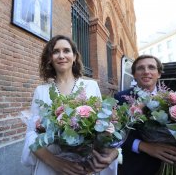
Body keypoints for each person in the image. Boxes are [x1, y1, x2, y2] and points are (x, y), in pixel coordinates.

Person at [21, 35, 119, 175]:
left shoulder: (90, 86)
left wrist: (107, 153)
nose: (61, 55)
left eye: (66, 51)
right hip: (50, 166)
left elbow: (101, 124)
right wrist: (53, 161)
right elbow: (31, 133)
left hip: (84, 165)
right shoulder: (41, 91)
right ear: (50, 58)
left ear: (74, 57)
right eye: (56, 51)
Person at [114, 55, 176, 175]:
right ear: (134, 74)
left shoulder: (173, 98)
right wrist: (145, 147)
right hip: (138, 167)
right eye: (140, 68)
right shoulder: (121, 98)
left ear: (159, 73)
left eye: (151, 67)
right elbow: (115, 134)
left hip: (173, 164)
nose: (146, 71)